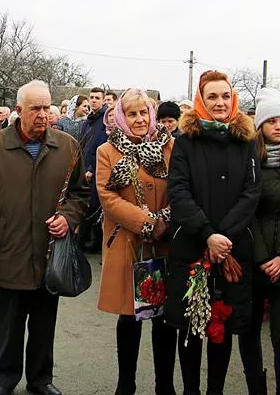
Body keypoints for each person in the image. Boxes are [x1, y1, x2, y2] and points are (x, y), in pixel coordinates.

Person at [0, 80, 89, 395]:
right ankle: (4, 380)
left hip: (50, 255)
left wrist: (68, 217)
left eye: (47, 107)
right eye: (35, 108)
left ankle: (40, 380)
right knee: (9, 324)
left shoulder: (67, 147)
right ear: (19, 110)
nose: (43, 114)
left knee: (44, 323)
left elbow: (79, 194)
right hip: (9, 252)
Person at [166, 71, 259, 395]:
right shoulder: (185, 142)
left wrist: (223, 237)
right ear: (201, 102)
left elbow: (251, 192)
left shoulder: (246, 141)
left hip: (232, 249)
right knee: (192, 327)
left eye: (224, 96)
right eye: (212, 97)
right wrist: (207, 234)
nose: (220, 103)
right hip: (193, 246)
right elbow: (178, 192)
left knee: (222, 327)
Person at [95, 88, 177, 395]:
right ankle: (125, 384)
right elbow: (107, 195)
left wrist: (164, 220)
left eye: (144, 113)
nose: (139, 119)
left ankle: (164, 385)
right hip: (127, 242)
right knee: (129, 317)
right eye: (132, 114)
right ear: (121, 117)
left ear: (152, 114)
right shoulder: (107, 150)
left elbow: (182, 188)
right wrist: (146, 223)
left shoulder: (170, 146)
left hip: (164, 242)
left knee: (164, 318)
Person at [238, 89, 280, 395]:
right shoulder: (248, 162)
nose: (278, 127)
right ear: (260, 125)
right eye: (272, 121)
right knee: (249, 331)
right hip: (255, 257)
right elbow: (245, 213)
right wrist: (262, 257)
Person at [80, 87, 110, 252]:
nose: (93, 100)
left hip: (96, 169)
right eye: (91, 97)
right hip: (85, 166)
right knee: (85, 205)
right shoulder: (88, 121)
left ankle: (95, 242)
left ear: (103, 100)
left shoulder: (104, 121)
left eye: (97, 98)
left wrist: (92, 167)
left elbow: (101, 146)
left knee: (95, 206)